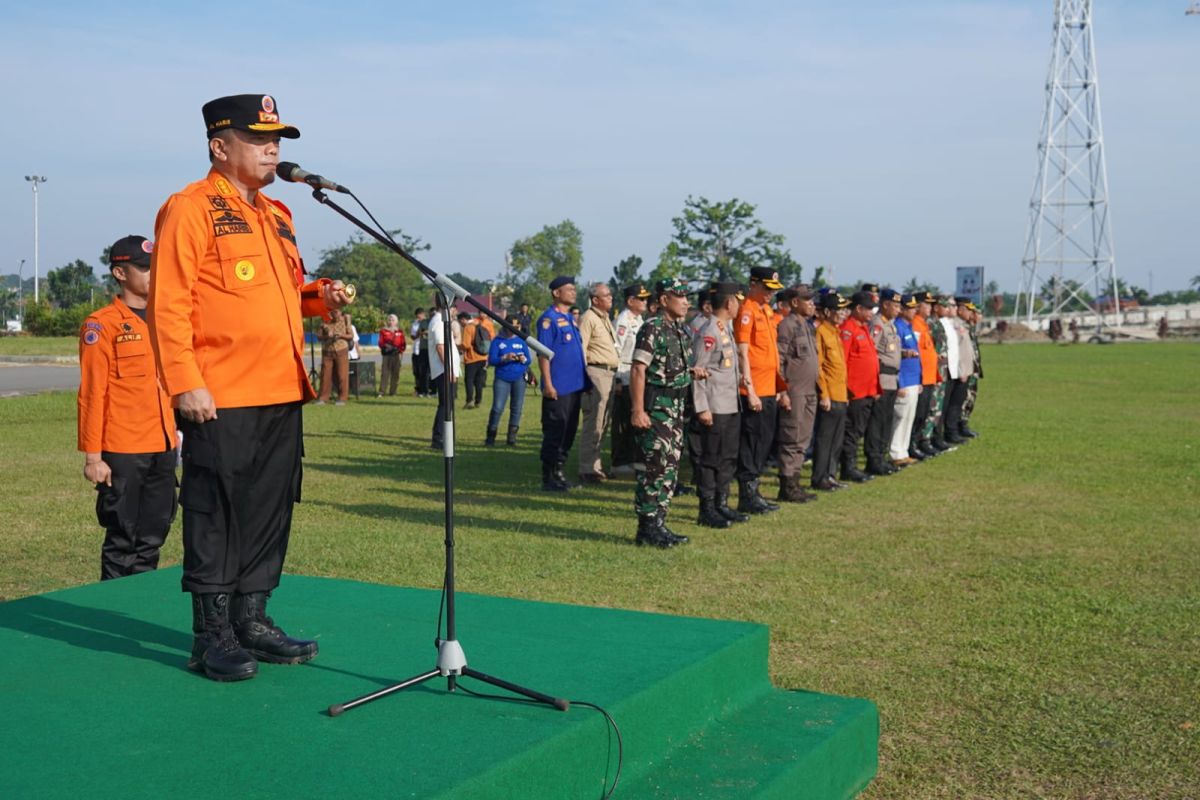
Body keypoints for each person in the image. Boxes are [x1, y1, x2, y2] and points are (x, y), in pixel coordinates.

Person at [148, 93, 352, 682]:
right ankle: (210, 634)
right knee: (216, 510)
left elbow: (283, 294)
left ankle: (252, 619)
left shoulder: (277, 213)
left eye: (278, 140)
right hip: (220, 393)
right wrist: (185, 382)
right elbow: (169, 303)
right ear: (220, 145)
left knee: (269, 506)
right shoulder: (190, 208)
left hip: (281, 388)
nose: (273, 149)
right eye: (259, 139)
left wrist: (320, 297)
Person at [78, 234, 178, 581]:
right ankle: (112, 611)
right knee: (122, 541)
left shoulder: (168, 320)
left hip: (164, 446)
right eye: (144, 268)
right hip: (122, 449)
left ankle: (138, 604)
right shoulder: (101, 324)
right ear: (120, 274)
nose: (153, 274)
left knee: (153, 537)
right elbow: (92, 393)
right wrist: (94, 457)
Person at [631, 278, 702, 547]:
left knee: (670, 468)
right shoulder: (653, 329)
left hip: (675, 408)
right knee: (654, 467)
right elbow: (639, 369)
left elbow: (672, 367)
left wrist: (692, 372)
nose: (686, 301)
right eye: (679, 296)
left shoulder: (680, 331)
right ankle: (646, 527)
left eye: (687, 296)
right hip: (657, 408)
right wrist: (638, 410)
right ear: (663, 300)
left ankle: (659, 522)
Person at [734, 267, 789, 514]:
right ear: (753, 284)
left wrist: (778, 386)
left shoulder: (765, 311)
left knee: (764, 441)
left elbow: (772, 353)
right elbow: (742, 351)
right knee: (752, 442)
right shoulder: (746, 310)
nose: (770, 294)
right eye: (766, 288)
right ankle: (747, 494)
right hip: (754, 388)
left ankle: (755, 492)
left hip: (769, 386)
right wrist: (750, 388)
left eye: (773, 290)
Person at [690, 282, 747, 527]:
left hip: (730, 404)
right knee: (710, 458)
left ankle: (722, 504)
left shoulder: (725, 328)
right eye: (737, 300)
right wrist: (702, 407)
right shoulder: (709, 330)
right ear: (729, 303)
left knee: (728, 457)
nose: (739, 305)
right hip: (714, 406)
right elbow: (698, 370)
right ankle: (707, 508)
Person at [537, 276, 590, 491]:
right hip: (558, 388)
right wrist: (548, 384)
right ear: (556, 293)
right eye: (568, 289)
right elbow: (543, 355)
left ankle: (559, 472)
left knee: (568, 431)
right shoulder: (548, 320)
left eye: (574, 289)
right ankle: (548, 476)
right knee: (555, 431)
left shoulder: (569, 319)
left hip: (574, 386)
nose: (573, 292)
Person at [774, 284, 820, 503]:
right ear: (794, 302)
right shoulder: (787, 326)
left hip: (810, 390)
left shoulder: (809, 326)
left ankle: (796, 481)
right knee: (791, 437)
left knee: (803, 437)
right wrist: (782, 391)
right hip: (795, 391)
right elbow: (780, 360)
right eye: (807, 300)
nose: (811, 304)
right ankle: (787, 485)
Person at [577, 282, 620, 483]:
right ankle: (587, 468)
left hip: (609, 374)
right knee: (593, 422)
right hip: (596, 373)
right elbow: (581, 351)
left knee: (603, 423)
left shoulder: (604, 319)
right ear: (595, 299)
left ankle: (596, 466)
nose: (610, 298)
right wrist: (584, 380)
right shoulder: (588, 318)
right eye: (606, 295)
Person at [838, 291, 880, 483]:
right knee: (851, 432)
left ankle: (852, 466)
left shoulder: (862, 328)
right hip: (855, 391)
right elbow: (843, 361)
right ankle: (849, 467)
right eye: (869, 309)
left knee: (858, 430)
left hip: (867, 390)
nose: (872, 312)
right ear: (858, 309)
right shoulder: (848, 329)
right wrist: (845, 389)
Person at [811, 292, 850, 491]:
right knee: (824, 438)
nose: (843, 314)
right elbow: (819, 367)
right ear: (827, 311)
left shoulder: (835, 332)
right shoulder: (821, 332)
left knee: (836, 439)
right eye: (839, 310)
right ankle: (819, 477)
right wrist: (823, 394)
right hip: (830, 395)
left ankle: (830, 475)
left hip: (841, 393)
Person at [611, 283, 650, 476]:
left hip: (636, 374)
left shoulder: (639, 319)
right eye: (641, 298)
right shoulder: (623, 321)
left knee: (635, 420)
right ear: (630, 301)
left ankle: (635, 459)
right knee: (623, 421)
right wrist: (617, 379)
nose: (645, 302)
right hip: (625, 373)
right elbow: (616, 349)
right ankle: (620, 461)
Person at [864, 288, 902, 476]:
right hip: (881, 379)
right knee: (877, 422)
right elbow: (871, 352)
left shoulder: (890, 325)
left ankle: (882, 455)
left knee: (886, 420)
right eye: (895, 305)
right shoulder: (877, 324)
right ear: (885, 304)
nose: (898, 309)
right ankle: (874, 459)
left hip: (892, 379)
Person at [485, 311, 530, 446]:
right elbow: (492, 360)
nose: (515, 329)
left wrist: (523, 359)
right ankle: (491, 437)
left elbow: (528, 359)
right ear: (506, 326)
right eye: (512, 326)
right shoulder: (498, 341)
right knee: (498, 407)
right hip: (502, 378)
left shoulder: (521, 340)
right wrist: (504, 358)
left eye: (517, 327)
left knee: (516, 408)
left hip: (519, 378)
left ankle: (511, 438)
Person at [890, 294, 923, 465]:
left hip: (913, 380)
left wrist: (919, 380)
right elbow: (896, 358)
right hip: (904, 380)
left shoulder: (908, 326)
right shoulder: (898, 327)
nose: (914, 311)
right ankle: (895, 452)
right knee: (900, 417)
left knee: (909, 417)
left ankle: (903, 451)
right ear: (902, 309)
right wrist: (900, 383)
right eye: (910, 308)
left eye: (915, 308)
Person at [909, 291, 941, 458]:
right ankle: (911, 446)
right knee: (918, 414)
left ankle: (916, 444)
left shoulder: (923, 324)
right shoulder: (915, 325)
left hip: (929, 376)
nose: (930, 307)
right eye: (926, 304)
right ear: (918, 305)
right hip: (921, 377)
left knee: (923, 414)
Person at [428, 293, 461, 449]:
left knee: (448, 405)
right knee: (445, 405)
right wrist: (449, 370)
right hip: (444, 371)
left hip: (447, 370)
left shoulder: (443, 321)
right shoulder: (439, 322)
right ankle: (439, 438)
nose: (455, 310)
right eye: (454, 306)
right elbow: (440, 347)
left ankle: (444, 436)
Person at [316, 307, 353, 405]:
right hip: (327, 350)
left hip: (341, 349)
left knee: (342, 374)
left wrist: (340, 335)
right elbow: (319, 337)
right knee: (325, 375)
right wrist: (327, 336)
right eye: (332, 311)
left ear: (340, 312)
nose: (334, 313)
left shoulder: (345, 319)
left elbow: (351, 336)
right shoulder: (325, 320)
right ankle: (323, 398)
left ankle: (342, 398)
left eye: (336, 311)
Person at [461, 311, 493, 410]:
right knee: (479, 381)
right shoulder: (484, 326)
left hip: (471, 358)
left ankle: (469, 400)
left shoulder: (468, 328)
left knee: (469, 380)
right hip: (483, 357)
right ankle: (478, 401)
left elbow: (466, 344)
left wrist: (458, 346)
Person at [378, 314, 405, 397]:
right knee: (385, 373)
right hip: (387, 354)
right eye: (389, 320)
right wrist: (385, 346)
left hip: (396, 354)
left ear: (396, 322)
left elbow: (403, 343)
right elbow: (380, 342)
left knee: (395, 373)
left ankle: (393, 392)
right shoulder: (383, 331)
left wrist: (400, 350)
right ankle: (382, 391)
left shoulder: (399, 332)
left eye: (393, 320)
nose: (391, 322)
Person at [410, 308, 431, 397]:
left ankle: (427, 389)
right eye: (417, 316)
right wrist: (419, 334)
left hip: (425, 348)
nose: (418, 317)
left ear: (423, 314)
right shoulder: (415, 323)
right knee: (416, 371)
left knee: (425, 371)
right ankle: (418, 389)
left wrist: (424, 333)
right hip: (416, 349)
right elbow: (413, 336)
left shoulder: (428, 322)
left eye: (420, 315)